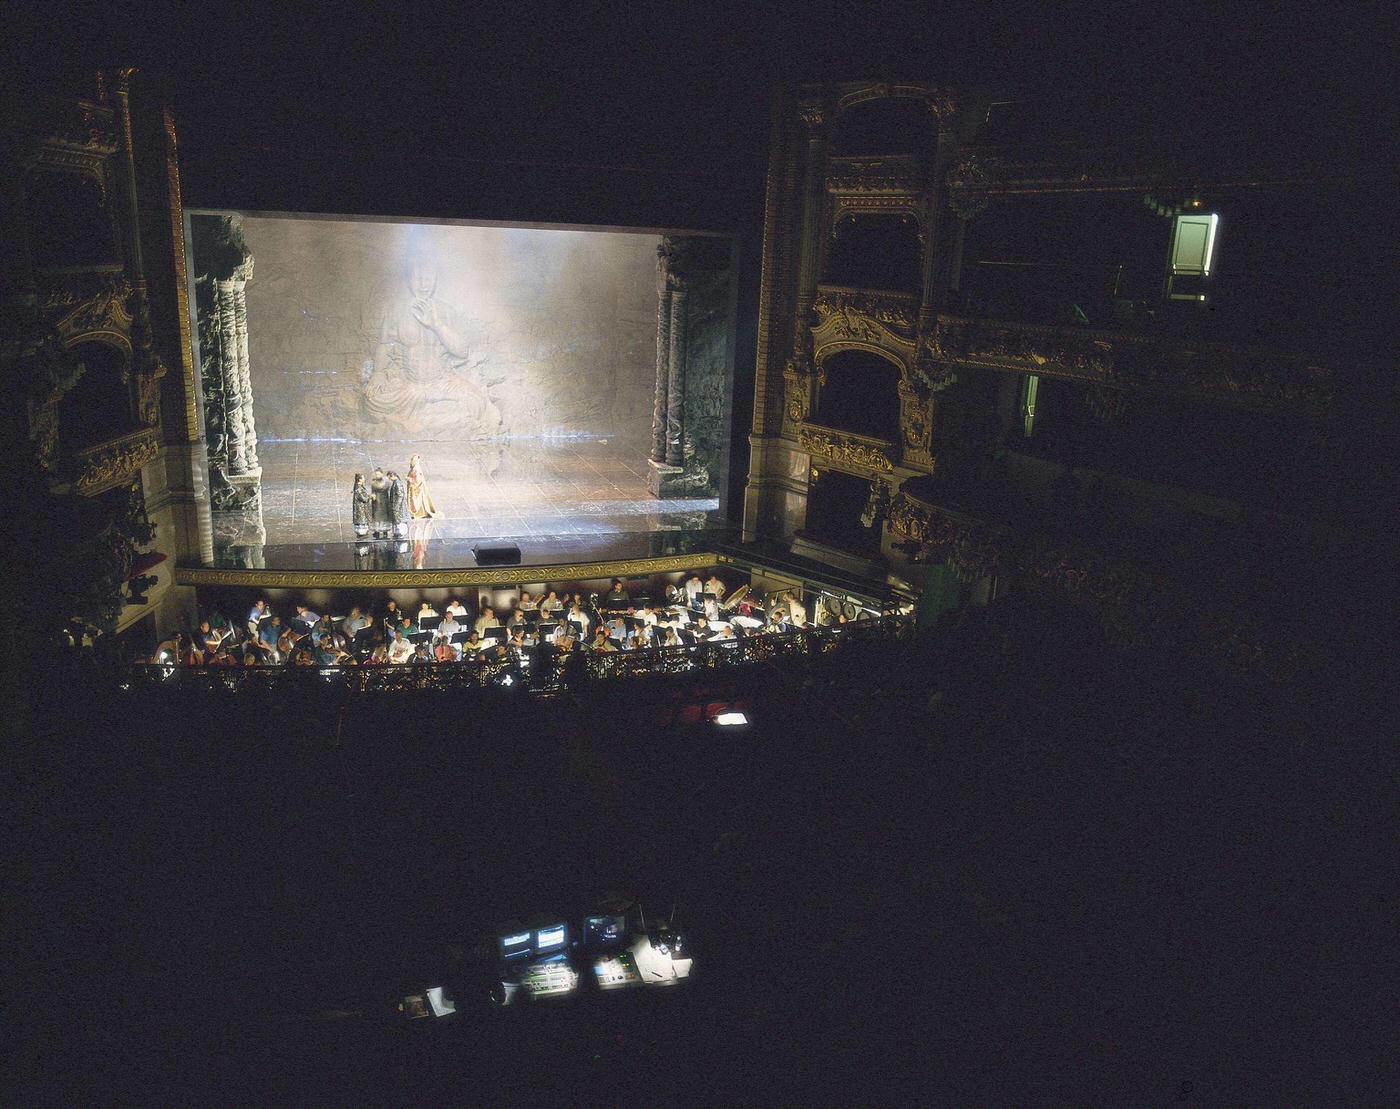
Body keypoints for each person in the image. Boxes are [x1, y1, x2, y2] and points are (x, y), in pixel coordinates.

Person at [406, 454, 440, 519]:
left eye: (412, 460)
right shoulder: (414, 469)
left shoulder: (417, 470)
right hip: (413, 489)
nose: (411, 462)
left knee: (417, 502)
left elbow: (417, 482)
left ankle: (419, 512)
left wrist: (409, 479)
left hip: (417, 490)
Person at [370, 468, 393, 539]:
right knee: (377, 515)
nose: (377, 475)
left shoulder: (386, 481)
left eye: (378, 474)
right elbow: (373, 490)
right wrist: (373, 496)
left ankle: (385, 531)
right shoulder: (373, 482)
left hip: (384, 500)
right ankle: (376, 531)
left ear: (382, 474)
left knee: (384, 516)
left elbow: (388, 488)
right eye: (376, 474)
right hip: (376, 501)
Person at [388, 470, 410, 539]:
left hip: (399, 507)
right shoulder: (395, 483)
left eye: (389, 477)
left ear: (393, 476)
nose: (389, 479)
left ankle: (401, 533)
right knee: (397, 520)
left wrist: (396, 506)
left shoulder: (398, 483)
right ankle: (398, 533)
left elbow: (400, 496)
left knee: (400, 521)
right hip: (396, 506)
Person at [352, 473, 372, 538]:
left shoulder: (359, 486)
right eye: (363, 478)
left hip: (362, 509)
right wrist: (370, 496)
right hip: (361, 510)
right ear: (360, 479)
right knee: (362, 526)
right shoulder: (358, 488)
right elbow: (364, 499)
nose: (364, 479)